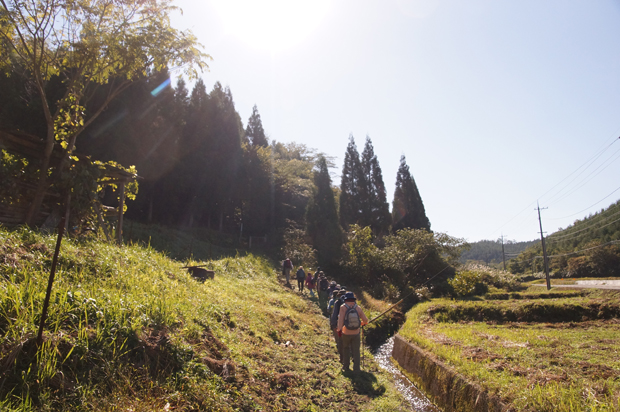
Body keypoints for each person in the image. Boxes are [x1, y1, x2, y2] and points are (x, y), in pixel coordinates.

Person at [337, 292, 368, 373]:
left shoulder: (343, 307)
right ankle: (356, 369)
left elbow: (340, 320)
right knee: (356, 351)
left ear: (345, 299)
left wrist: (339, 330)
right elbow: (365, 320)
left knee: (346, 349)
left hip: (346, 332)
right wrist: (362, 323)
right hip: (356, 333)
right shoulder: (358, 308)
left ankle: (346, 366)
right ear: (353, 300)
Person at [329, 290, 347, 362]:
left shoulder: (337, 302)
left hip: (340, 325)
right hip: (350, 327)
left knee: (340, 342)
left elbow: (334, 314)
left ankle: (342, 358)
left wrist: (333, 324)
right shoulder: (351, 303)